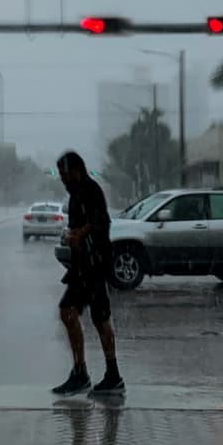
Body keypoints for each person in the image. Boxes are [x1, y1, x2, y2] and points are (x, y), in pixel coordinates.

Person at [52, 150, 124, 395]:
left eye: (64, 173)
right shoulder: (75, 195)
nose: (61, 177)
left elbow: (101, 222)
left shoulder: (90, 190)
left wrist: (79, 234)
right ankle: (83, 372)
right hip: (83, 266)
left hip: (94, 264)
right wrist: (73, 236)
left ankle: (108, 375)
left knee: (95, 316)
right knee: (71, 312)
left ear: (76, 171)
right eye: (60, 173)